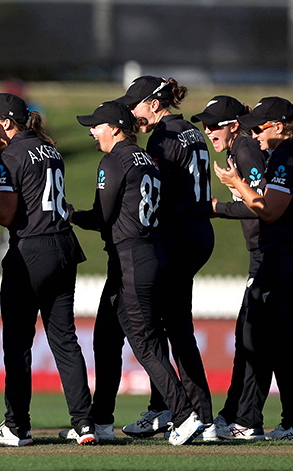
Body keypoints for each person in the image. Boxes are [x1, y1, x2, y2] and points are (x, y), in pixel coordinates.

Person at [71, 100, 205, 446]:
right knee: (106, 338)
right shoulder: (146, 158)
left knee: (144, 342)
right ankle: (100, 422)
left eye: (96, 125)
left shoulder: (114, 159)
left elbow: (102, 217)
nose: (92, 131)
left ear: (115, 128)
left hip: (132, 259)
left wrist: (68, 214)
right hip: (144, 255)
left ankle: (184, 415)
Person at [0, 93, 97, 446]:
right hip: (64, 246)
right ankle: (84, 424)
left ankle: (16, 427)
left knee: (17, 343)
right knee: (65, 339)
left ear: (8, 122)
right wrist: (2, 190)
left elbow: (7, 215)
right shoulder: (49, 149)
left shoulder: (9, 154)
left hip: (31, 251)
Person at [214, 96, 293, 440]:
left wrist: (237, 187)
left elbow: (269, 209)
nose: (254, 134)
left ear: (279, 126)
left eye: (259, 127)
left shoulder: (288, 156)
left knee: (281, 342)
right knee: (286, 341)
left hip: (287, 259)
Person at [115, 76, 215, 440]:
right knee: (170, 324)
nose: (132, 113)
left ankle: (195, 415)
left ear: (155, 104)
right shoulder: (190, 130)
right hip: (200, 230)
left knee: (170, 328)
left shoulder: (161, 138)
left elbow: (150, 192)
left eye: (135, 106)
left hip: (179, 234)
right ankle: (168, 409)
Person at [190, 95, 268, 438]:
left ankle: (247, 421)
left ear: (234, 125)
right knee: (250, 337)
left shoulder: (246, 150)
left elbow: (263, 205)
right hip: (263, 254)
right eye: (205, 125)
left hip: (270, 255)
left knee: (254, 339)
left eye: (214, 125)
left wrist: (217, 207)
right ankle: (235, 413)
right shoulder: (238, 151)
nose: (208, 131)